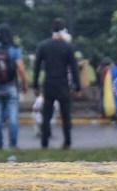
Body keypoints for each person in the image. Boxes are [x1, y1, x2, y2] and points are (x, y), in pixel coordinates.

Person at [33, 18, 81, 150]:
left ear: (51, 30)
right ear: (63, 30)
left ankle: (44, 143)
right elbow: (74, 68)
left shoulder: (43, 46)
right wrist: (78, 86)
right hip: (63, 84)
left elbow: (37, 66)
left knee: (46, 115)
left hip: (48, 84)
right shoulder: (68, 47)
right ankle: (67, 142)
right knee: (66, 116)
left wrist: (35, 85)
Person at [0, 23, 28, 150]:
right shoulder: (14, 49)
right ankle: (13, 145)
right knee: (13, 118)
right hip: (11, 87)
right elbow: (20, 68)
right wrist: (25, 83)